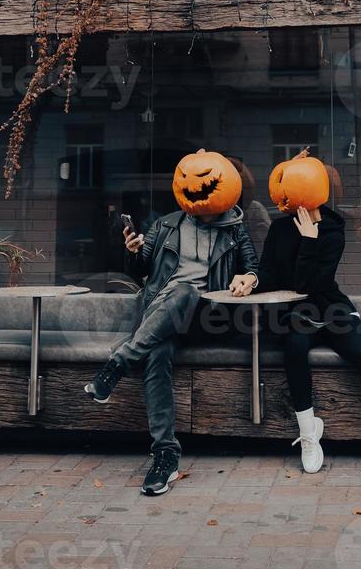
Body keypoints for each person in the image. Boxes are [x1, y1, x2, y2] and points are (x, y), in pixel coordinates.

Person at [84, 149, 258, 496]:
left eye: (206, 182)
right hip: (161, 318)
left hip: (208, 318)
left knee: (183, 292)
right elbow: (141, 273)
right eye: (186, 181)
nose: (195, 188)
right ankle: (165, 456)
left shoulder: (236, 230)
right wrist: (132, 251)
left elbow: (254, 266)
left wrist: (248, 279)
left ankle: (118, 364)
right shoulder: (163, 226)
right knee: (157, 353)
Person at [252, 151, 361, 481]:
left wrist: (311, 241)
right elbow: (270, 271)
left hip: (330, 308)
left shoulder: (332, 229)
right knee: (295, 348)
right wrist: (253, 279)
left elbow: (311, 284)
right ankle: (309, 433)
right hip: (297, 312)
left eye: (287, 183)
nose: (279, 191)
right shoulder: (279, 228)